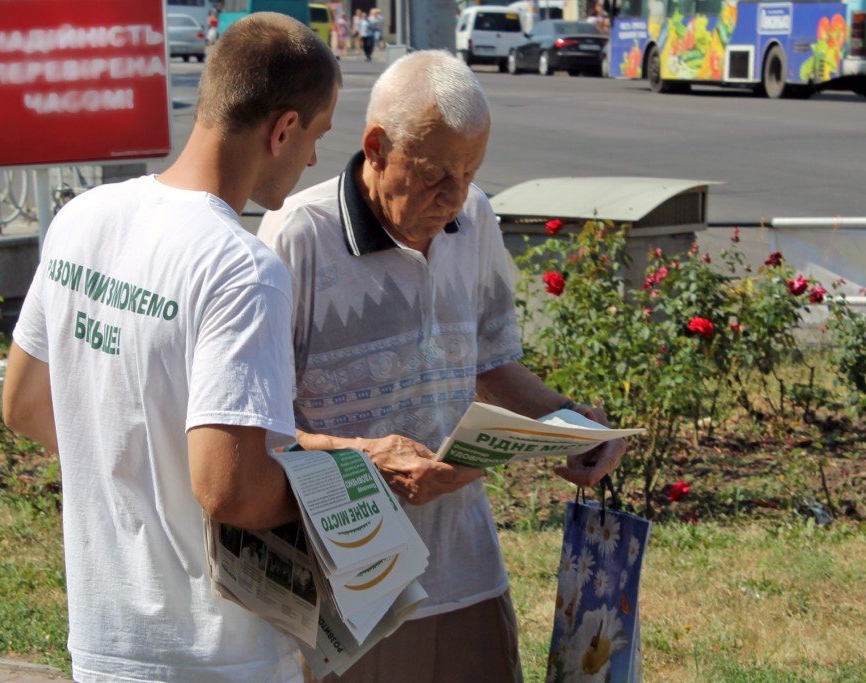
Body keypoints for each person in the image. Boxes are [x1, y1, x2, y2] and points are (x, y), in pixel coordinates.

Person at [258, 50, 625, 683]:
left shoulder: (474, 216)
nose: (454, 198)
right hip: (349, 584)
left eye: (470, 171)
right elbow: (260, 427)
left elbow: (492, 363)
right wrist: (367, 458)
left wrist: (570, 424)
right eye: (434, 176)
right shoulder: (298, 235)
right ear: (376, 147)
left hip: (466, 570)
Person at [2, 13, 340, 683]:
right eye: (317, 136)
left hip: (104, 636)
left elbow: (24, 405)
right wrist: (352, 485)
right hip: (215, 652)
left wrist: (138, 470)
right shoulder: (242, 267)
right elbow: (229, 488)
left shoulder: (83, 217)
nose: (314, 160)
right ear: (283, 130)